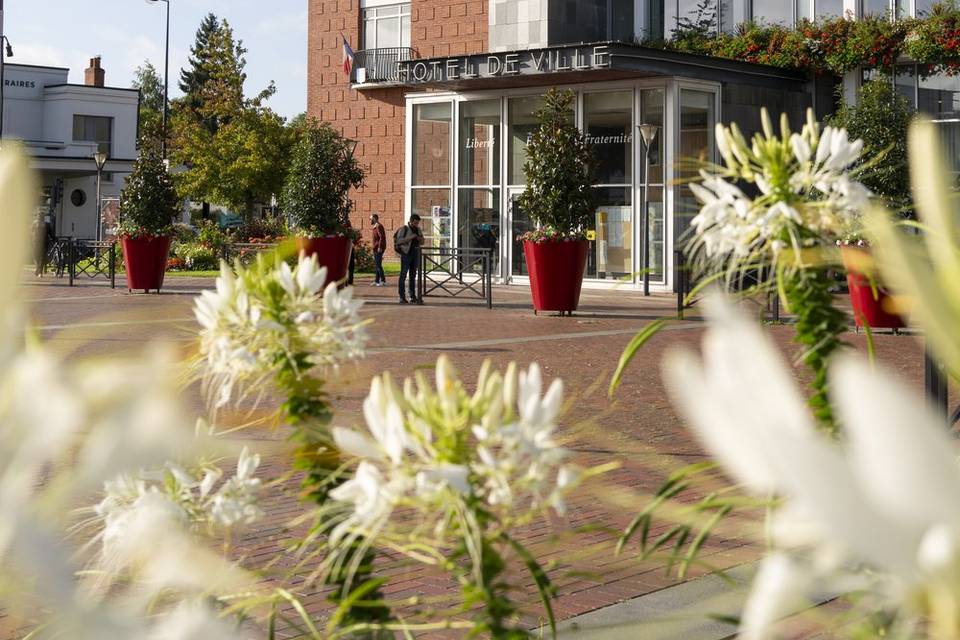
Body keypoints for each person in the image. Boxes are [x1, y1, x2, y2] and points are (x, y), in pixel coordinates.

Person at [394, 213, 424, 304]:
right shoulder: (404, 229)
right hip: (406, 254)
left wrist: (419, 239)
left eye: (417, 223)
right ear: (410, 221)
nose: (416, 225)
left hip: (415, 255)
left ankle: (412, 296)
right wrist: (411, 237)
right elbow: (399, 241)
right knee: (403, 275)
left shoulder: (418, 230)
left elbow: (422, 242)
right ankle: (402, 297)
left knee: (413, 276)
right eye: (415, 223)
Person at [369, 213, 386, 287]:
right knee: (377, 265)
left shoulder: (379, 226)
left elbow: (382, 237)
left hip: (379, 248)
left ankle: (383, 280)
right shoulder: (375, 226)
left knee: (378, 265)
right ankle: (376, 281)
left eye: (371, 219)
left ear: (375, 218)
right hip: (376, 248)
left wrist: (379, 247)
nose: (370, 220)